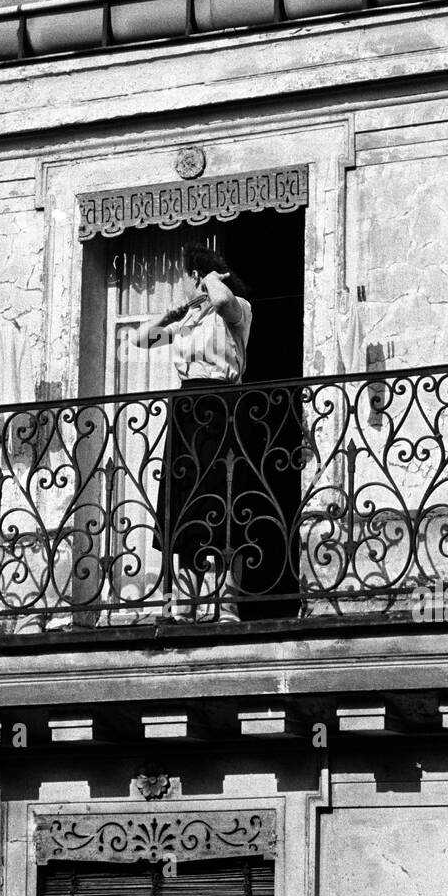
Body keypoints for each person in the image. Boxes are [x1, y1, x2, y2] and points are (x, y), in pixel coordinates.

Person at [130, 242, 253, 623]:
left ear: (195, 277)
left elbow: (221, 300)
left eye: (184, 278)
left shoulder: (238, 310)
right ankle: (187, 604)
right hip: (187, 408)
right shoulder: (186, 321)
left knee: (224, 499)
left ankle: (227, 602)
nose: (181, 285)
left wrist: (213, 278)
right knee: (185, 503)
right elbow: (140, 339)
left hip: (222, 404)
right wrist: (175, 312)